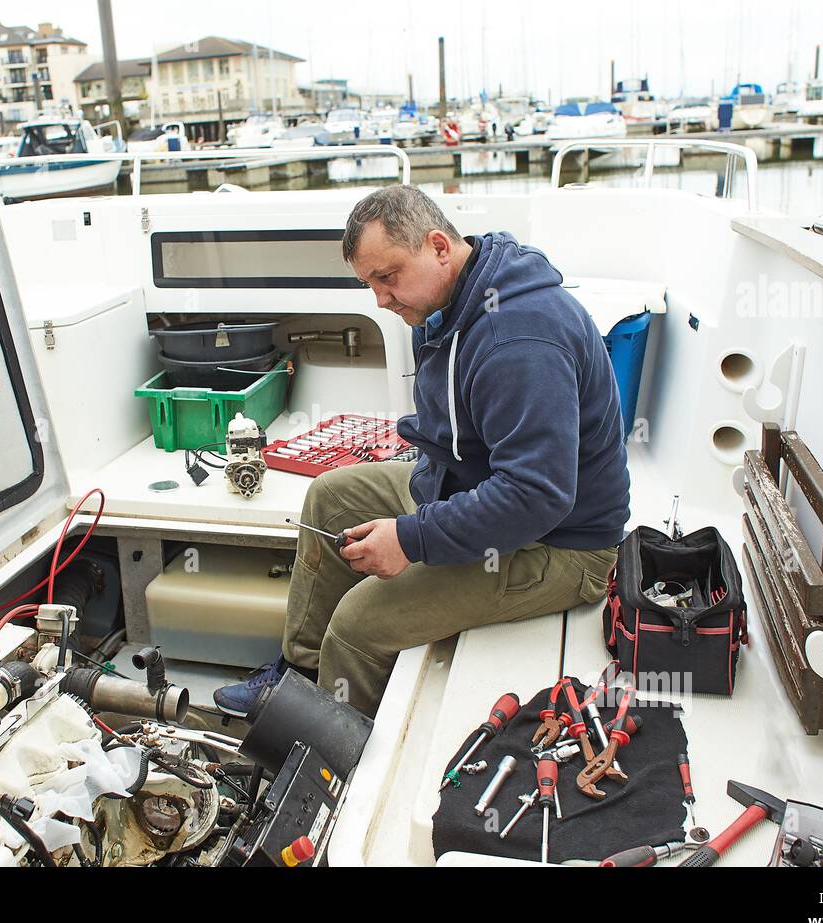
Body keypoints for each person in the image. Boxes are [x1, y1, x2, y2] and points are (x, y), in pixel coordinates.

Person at [214, 185, 630, 720]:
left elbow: (536, 495)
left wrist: (412, 539)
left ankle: (333, 763)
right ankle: (301, 680)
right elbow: (448, 430)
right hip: (463, 484)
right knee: (331, 498)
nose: (381, 300)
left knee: (358, 626)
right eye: (369, 284)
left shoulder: (519, 339)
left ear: (438, 246)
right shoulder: (446, 301)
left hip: (559, 544)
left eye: (387, 278)